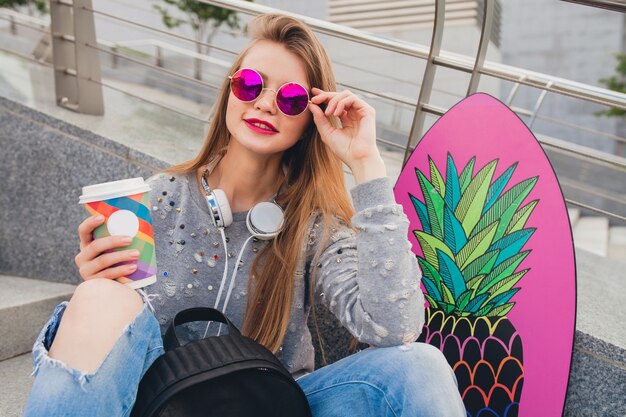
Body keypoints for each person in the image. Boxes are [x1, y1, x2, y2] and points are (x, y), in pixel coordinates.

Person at [24, 13, 465, 417]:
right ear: (231, 91)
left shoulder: (317, 229)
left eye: (291, 98)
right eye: (251, 84)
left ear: (311, 120)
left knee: (421, 364)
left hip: (271, 405)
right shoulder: (157, 198)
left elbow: (396, 327)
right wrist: (100, 282)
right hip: (161, 403)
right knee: (98, 299)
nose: (265, 103)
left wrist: (367, 164)